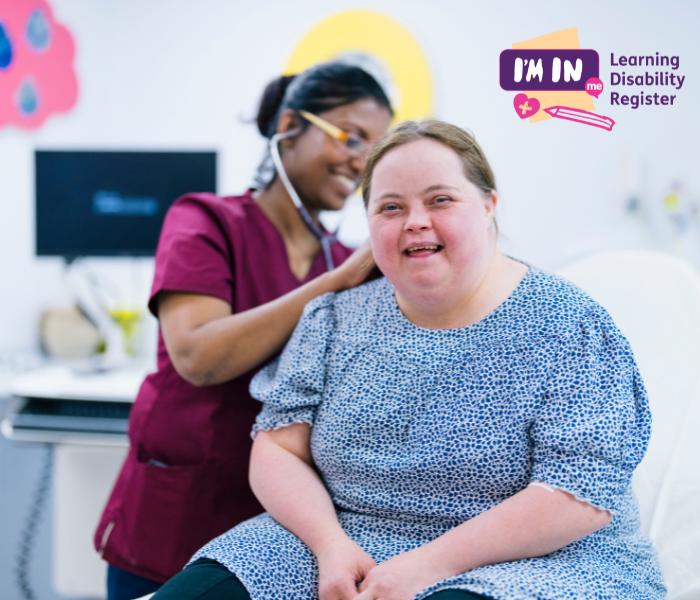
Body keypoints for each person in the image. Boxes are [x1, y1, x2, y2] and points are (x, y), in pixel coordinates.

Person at [151, 120, 666, 600]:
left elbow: (579, 490)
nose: (415, 223)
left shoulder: (566, 323)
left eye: (440, 200)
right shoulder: (335, 317)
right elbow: (279, 449)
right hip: (346, 539)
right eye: (391, 207)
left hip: (533, 559)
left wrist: (428, 565)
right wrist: (329, 546)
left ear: (488, 205)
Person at [94, 62, 393, 600]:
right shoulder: (206, 222)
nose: (361, 160)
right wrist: (334, 282)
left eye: (375, 150)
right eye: (351, 137)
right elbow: (197, 356)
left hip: (281, 529)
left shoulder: (347, 261)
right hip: (183, 505)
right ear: (288, 128)